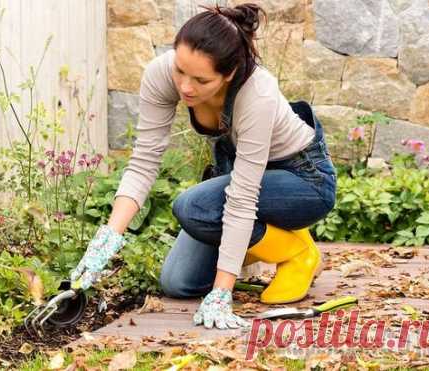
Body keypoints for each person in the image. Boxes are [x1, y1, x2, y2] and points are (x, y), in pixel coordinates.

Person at [70, 3, 337, 330]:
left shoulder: (257, 93)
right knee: (178, 283)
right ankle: (270, 239)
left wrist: (222, 293)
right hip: (244, 177)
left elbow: (241, 198)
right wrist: (107, 238)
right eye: (180, 70)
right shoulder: (161, 74)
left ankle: (296, 251)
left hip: (303, 181)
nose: (185, 86)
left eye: (200, 79)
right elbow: (143, 162)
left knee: (194, 207)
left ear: (229, 73)